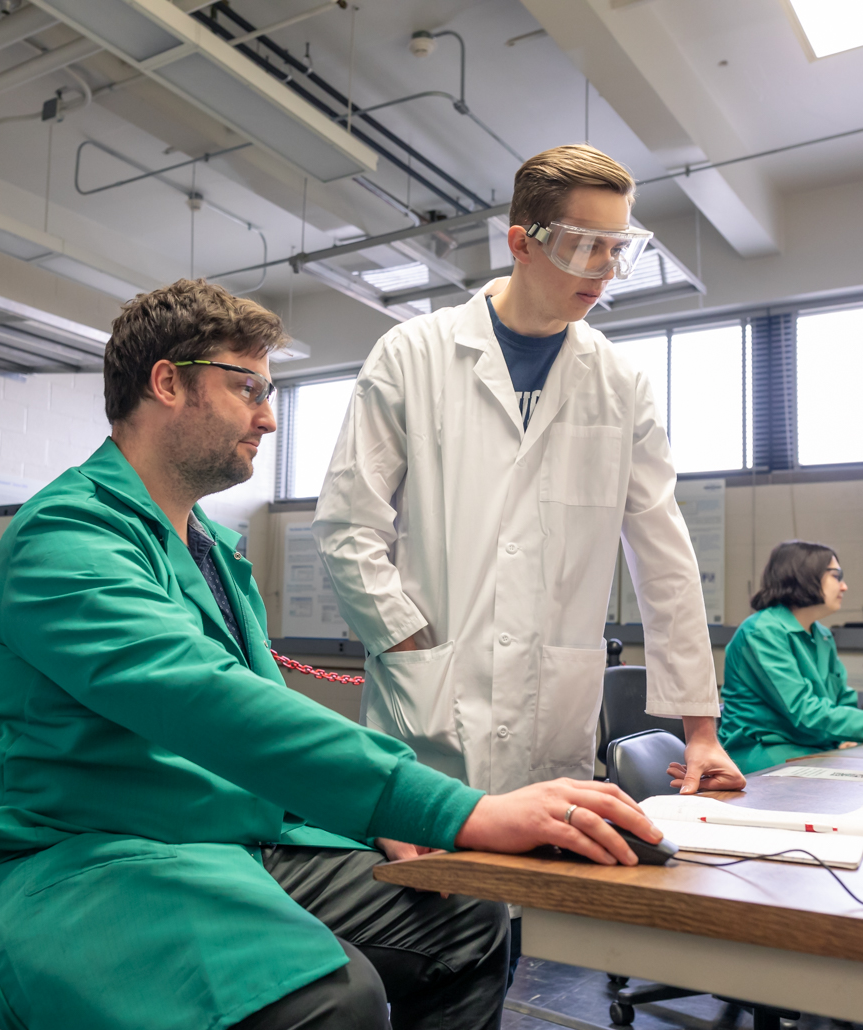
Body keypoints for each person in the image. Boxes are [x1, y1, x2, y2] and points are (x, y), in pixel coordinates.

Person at [0, 279, 664, 1030]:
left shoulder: (214, 553)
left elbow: (251, 722)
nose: (266, 416)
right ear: (166, 382)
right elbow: (208, 704)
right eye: (247, 387)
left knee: (467, 918)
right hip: (49, 855)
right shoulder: (67, 536)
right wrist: (457, 809)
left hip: (201, 836)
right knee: (328, 1004)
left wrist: (375, 818)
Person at [314, 146, 743, 882]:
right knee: (424, 925)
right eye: (586, 245)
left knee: (526, 932)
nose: (605, 269)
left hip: (551, 717)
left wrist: (700, 730)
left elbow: (664, 554)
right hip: (428, 713)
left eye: (619, 249)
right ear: (522, 241)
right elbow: (348, 526)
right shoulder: (411, 355)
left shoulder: (620, 383)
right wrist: (409, 639)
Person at [719, 540, 863, 773]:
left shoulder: (821, 634)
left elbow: (842, 700)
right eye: (836, 575)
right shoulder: (761, 632)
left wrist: (848, 735)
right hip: (762, 753)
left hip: (811, 748)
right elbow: (806, 713)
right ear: (803, 575)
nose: (844, 587)